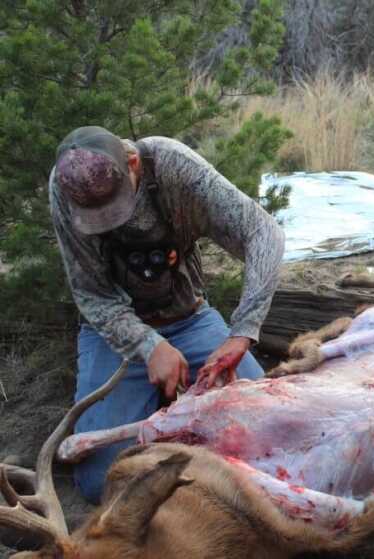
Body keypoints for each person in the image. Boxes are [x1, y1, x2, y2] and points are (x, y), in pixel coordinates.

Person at [49, 126, 285, 502]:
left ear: (132, 163)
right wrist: (148, 346)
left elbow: (263, 232)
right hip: (115, 337)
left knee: (270, 430)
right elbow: (93, 295)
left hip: (190, 319)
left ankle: (176, 433)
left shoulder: (172, 166)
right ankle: (178, 436)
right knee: (101, 481)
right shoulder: (67, 187)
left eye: (116, 206)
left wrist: (242, 332)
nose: (109, 221)